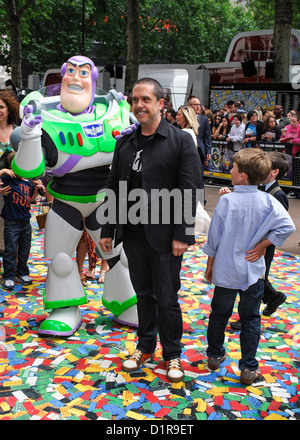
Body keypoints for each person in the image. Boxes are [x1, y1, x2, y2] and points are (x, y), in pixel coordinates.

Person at [11, 55, 138, 336]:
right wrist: (31, 135)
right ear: (62, 77)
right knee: (60, 259)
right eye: (70, 71)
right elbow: (29, 168)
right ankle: (65, 309)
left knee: (119, 255)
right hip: (65, 201)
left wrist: (133, 139)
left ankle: (126, 302)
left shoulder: (114, 112)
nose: (75, 77)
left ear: (93, 81)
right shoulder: (44, 118)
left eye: (83, 72)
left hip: (103, 200)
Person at [99, 78, 202, 383]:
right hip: (132, 234)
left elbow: (190, 190)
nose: (139, 105)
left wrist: (183, 234)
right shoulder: (125, 143)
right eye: (134, 100)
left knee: (167, 296)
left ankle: (172, 354)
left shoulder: (181, 140)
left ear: (161, 104)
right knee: (143, 294)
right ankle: (145, 347)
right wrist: (108, 228)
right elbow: (114, 187)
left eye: (145, 99)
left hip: (167, 237)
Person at [203, 148, 295, 385]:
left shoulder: (226, 201)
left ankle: (214, 355)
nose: (230, 170)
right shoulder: (268, 201)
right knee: (251, 318)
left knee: (219, 314)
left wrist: (209, 264)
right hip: (253, 273)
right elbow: (287, 226)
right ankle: (248, 368)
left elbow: (214, 237)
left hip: (225, 270)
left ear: (242, 175)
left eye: (233, 167)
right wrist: (264, 243)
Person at [226, 152, 290, 330]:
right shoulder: (261, 188)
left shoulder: (278, 195)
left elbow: (279, 225)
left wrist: (263, 244)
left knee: (256, 280)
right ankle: (274, 298)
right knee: (254, 278)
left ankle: (248, 314)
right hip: (252, 242)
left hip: (264, 246)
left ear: (274, 172)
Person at [0, 151, 45, 290]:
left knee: (24, 250)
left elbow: (30, 200)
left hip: (25, 222)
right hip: (11, 223)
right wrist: (2, 171)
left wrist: (38, 189)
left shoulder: (28, 182)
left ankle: (22, 273)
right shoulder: (8, 178)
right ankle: (8, 276)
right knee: (11, 250)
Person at [0, 90, 20, 255]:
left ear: (9, 109)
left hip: (17, 191)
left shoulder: (18, 132)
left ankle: (14, 267)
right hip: (0, 191)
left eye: (1, 107)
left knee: (18, 231)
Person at [187, 96, 212, 165]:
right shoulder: (185, 118)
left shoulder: (204, 119)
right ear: (189, 106)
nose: (198, 107)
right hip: (187, 149)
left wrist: (208, 151)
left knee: (199, 172)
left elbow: (207, 136)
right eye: (196, 105)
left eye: (199, 105)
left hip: (199, 150)